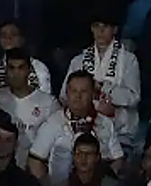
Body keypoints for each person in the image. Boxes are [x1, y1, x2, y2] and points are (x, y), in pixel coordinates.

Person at [60, 8, 140, 150]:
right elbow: (64, 96)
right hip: (80, 132)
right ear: (91, 29)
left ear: (115, 30)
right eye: (96, 26)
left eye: (105, 26)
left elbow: (133, 97)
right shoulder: (78, 60)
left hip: (119, 131)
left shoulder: (128, 59)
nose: (100, 31)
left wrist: (103, 88)